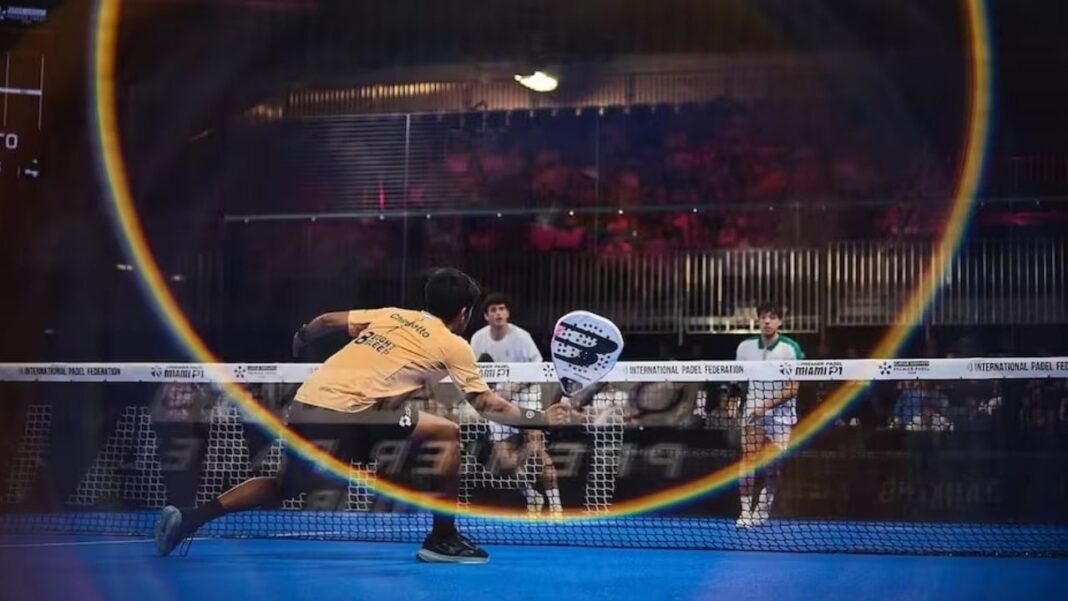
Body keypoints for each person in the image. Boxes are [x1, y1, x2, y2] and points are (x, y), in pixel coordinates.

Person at [153, 268, 573, 563]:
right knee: (446, 434)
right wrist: (544, 418)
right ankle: (442, 539)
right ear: (464, 314)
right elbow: (487, 406)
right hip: (350, 416)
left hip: (305, 404)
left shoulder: (393, 315)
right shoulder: (453, 343)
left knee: (287, 486)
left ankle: (189, 519)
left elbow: (324, 321)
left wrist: (300, 339)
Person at [470, 293, 562, 515]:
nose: (498, 313)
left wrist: (513, 389)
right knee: (504, 459)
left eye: (502, 308)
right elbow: (474, 374)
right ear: (486, 316)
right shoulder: (477, 339)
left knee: (537, 451)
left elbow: (539, 370)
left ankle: (556, 505)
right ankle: (533, 496)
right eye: (493, 310)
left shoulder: (522, 337)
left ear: (507, 313)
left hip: (526, 395)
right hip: (497, 399)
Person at [734, 302, 803, 528]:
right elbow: (740, 383)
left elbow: (793, 388)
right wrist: (748, 405)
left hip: (781, 415)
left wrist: (767, 405)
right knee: (748, 460)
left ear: (780, 322)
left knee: (773, 468)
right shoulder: (745, 348)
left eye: (772, 317)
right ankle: (745, 514)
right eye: (763, 317)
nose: (767, 321)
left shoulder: (790, 349)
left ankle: (762, 510)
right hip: (754, 412)